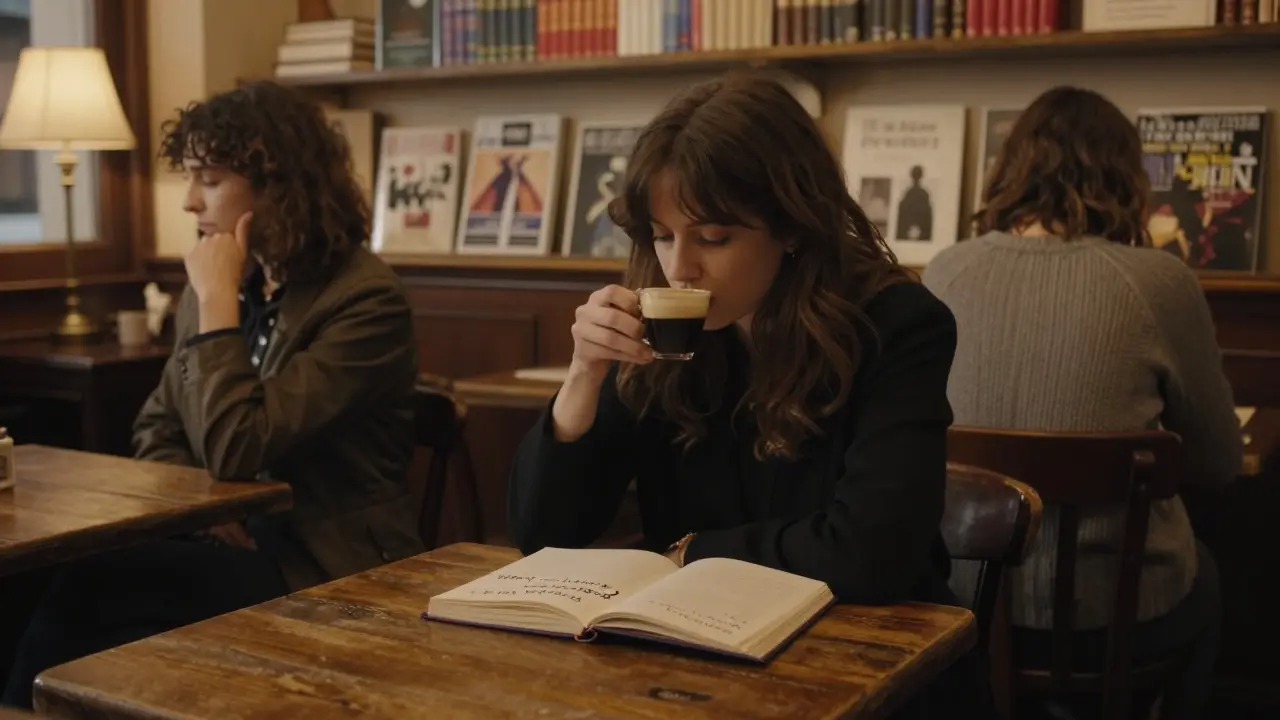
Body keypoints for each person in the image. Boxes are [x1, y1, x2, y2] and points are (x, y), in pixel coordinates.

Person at [507, 73, 992, 717]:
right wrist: (583, 377)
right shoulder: (665, 326)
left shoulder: (896, 325)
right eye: (660, 234)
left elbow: (873, 552)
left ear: (792, 228)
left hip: (873, 675)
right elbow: (543, 532)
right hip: (695, 666)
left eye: (712, 238)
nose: (679, 267)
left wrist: (690, 552)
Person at [2, 81, 424, 707]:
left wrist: (219, 305)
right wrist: (208, 509)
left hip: (323, 563)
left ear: (280, 187)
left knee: (89, 584)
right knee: (32, 585)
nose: (190, 200)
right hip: (226, 540)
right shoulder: (224, 277)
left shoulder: (365, 301)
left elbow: (236, 444)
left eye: (210, 177)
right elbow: (158, 427)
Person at [922, 86, 1240, 719]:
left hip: (965, 605)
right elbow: (1219, 463)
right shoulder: (1159, 280)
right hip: (1120, 620)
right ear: (1124, 177)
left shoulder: (944, 271)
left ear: (1010, 172)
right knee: (1209, 577)